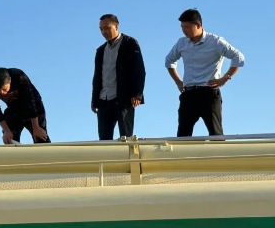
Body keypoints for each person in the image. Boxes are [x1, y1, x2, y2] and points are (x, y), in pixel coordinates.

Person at [165, 9, 245, 137]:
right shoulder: (181, 43)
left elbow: (238, 57)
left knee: (216, 134)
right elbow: (169, 61)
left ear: (198, 25)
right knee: (183, 135)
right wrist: (178, 82)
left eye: (187, 27)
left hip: (209, 93)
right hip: (188, 94)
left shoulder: (215, 41)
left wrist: (225, 78)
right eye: (182, 27)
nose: (184, 30)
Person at [91, 14, 146, 140]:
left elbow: (139, 69)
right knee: (104, 140)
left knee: (126, 138)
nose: (103, 32)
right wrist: (94, 100)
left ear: (116, 26)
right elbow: (97, 76)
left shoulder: (130, 43)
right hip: (103, 100)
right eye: (101, 29)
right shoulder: (100, 50)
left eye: (106, 28)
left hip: (123, 99)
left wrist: (137, 94)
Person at [0, 67, 51, 144]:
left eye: (4, 89)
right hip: (13, 110)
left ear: (10, 80)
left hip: (34, 109)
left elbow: (30, 101)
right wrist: (6, 130)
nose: (2, 92)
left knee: (40, 137)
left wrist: (36, 127)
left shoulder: (18, 76)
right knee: (9, 138)